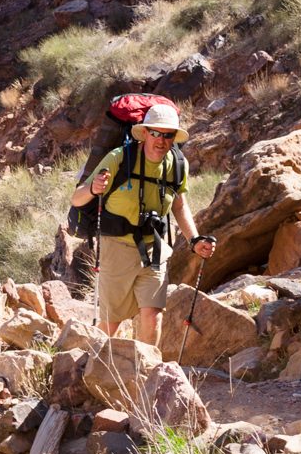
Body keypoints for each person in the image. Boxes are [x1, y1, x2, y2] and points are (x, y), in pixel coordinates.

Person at [68, 105, 216, 344]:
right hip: (117, 248)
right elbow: (77, 198)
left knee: (152, 316)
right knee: (111, 322)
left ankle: (147, 372)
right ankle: (97, 367)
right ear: (145, 132)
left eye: (167, 135)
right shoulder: (119, 158)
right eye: (156, 133)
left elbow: (179, 206)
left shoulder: (176, 165)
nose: (161, 140)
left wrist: (194, 240)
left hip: (153, 248)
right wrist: (93, 188)